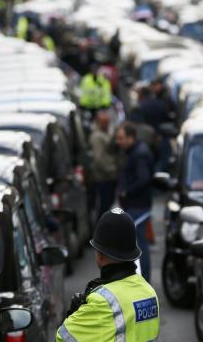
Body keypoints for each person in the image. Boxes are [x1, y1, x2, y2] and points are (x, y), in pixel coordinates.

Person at [57, 208, 160, 341]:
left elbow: (62, 338)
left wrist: (74, 314)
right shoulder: (149, 292)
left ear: (99, 255)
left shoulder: (102, 301)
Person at [115, 122, 154, 282]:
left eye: (121, 138)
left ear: (131, 138)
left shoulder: (139, 154)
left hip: (138, 205)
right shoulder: (134, 152)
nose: (118, 142)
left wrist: (126, 191)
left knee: (139, 247)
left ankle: (143, 280)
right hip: (135, 205)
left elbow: (143, 179)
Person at [90, 110, 118, 217]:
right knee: (104, 204)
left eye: (107, 122)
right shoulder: (97, 137)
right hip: (103, 177)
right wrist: (112, 170)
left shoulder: (107, 132)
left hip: (109, 176)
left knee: (108, 203)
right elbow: (98, 159)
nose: (106, 124)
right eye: (104, 122)